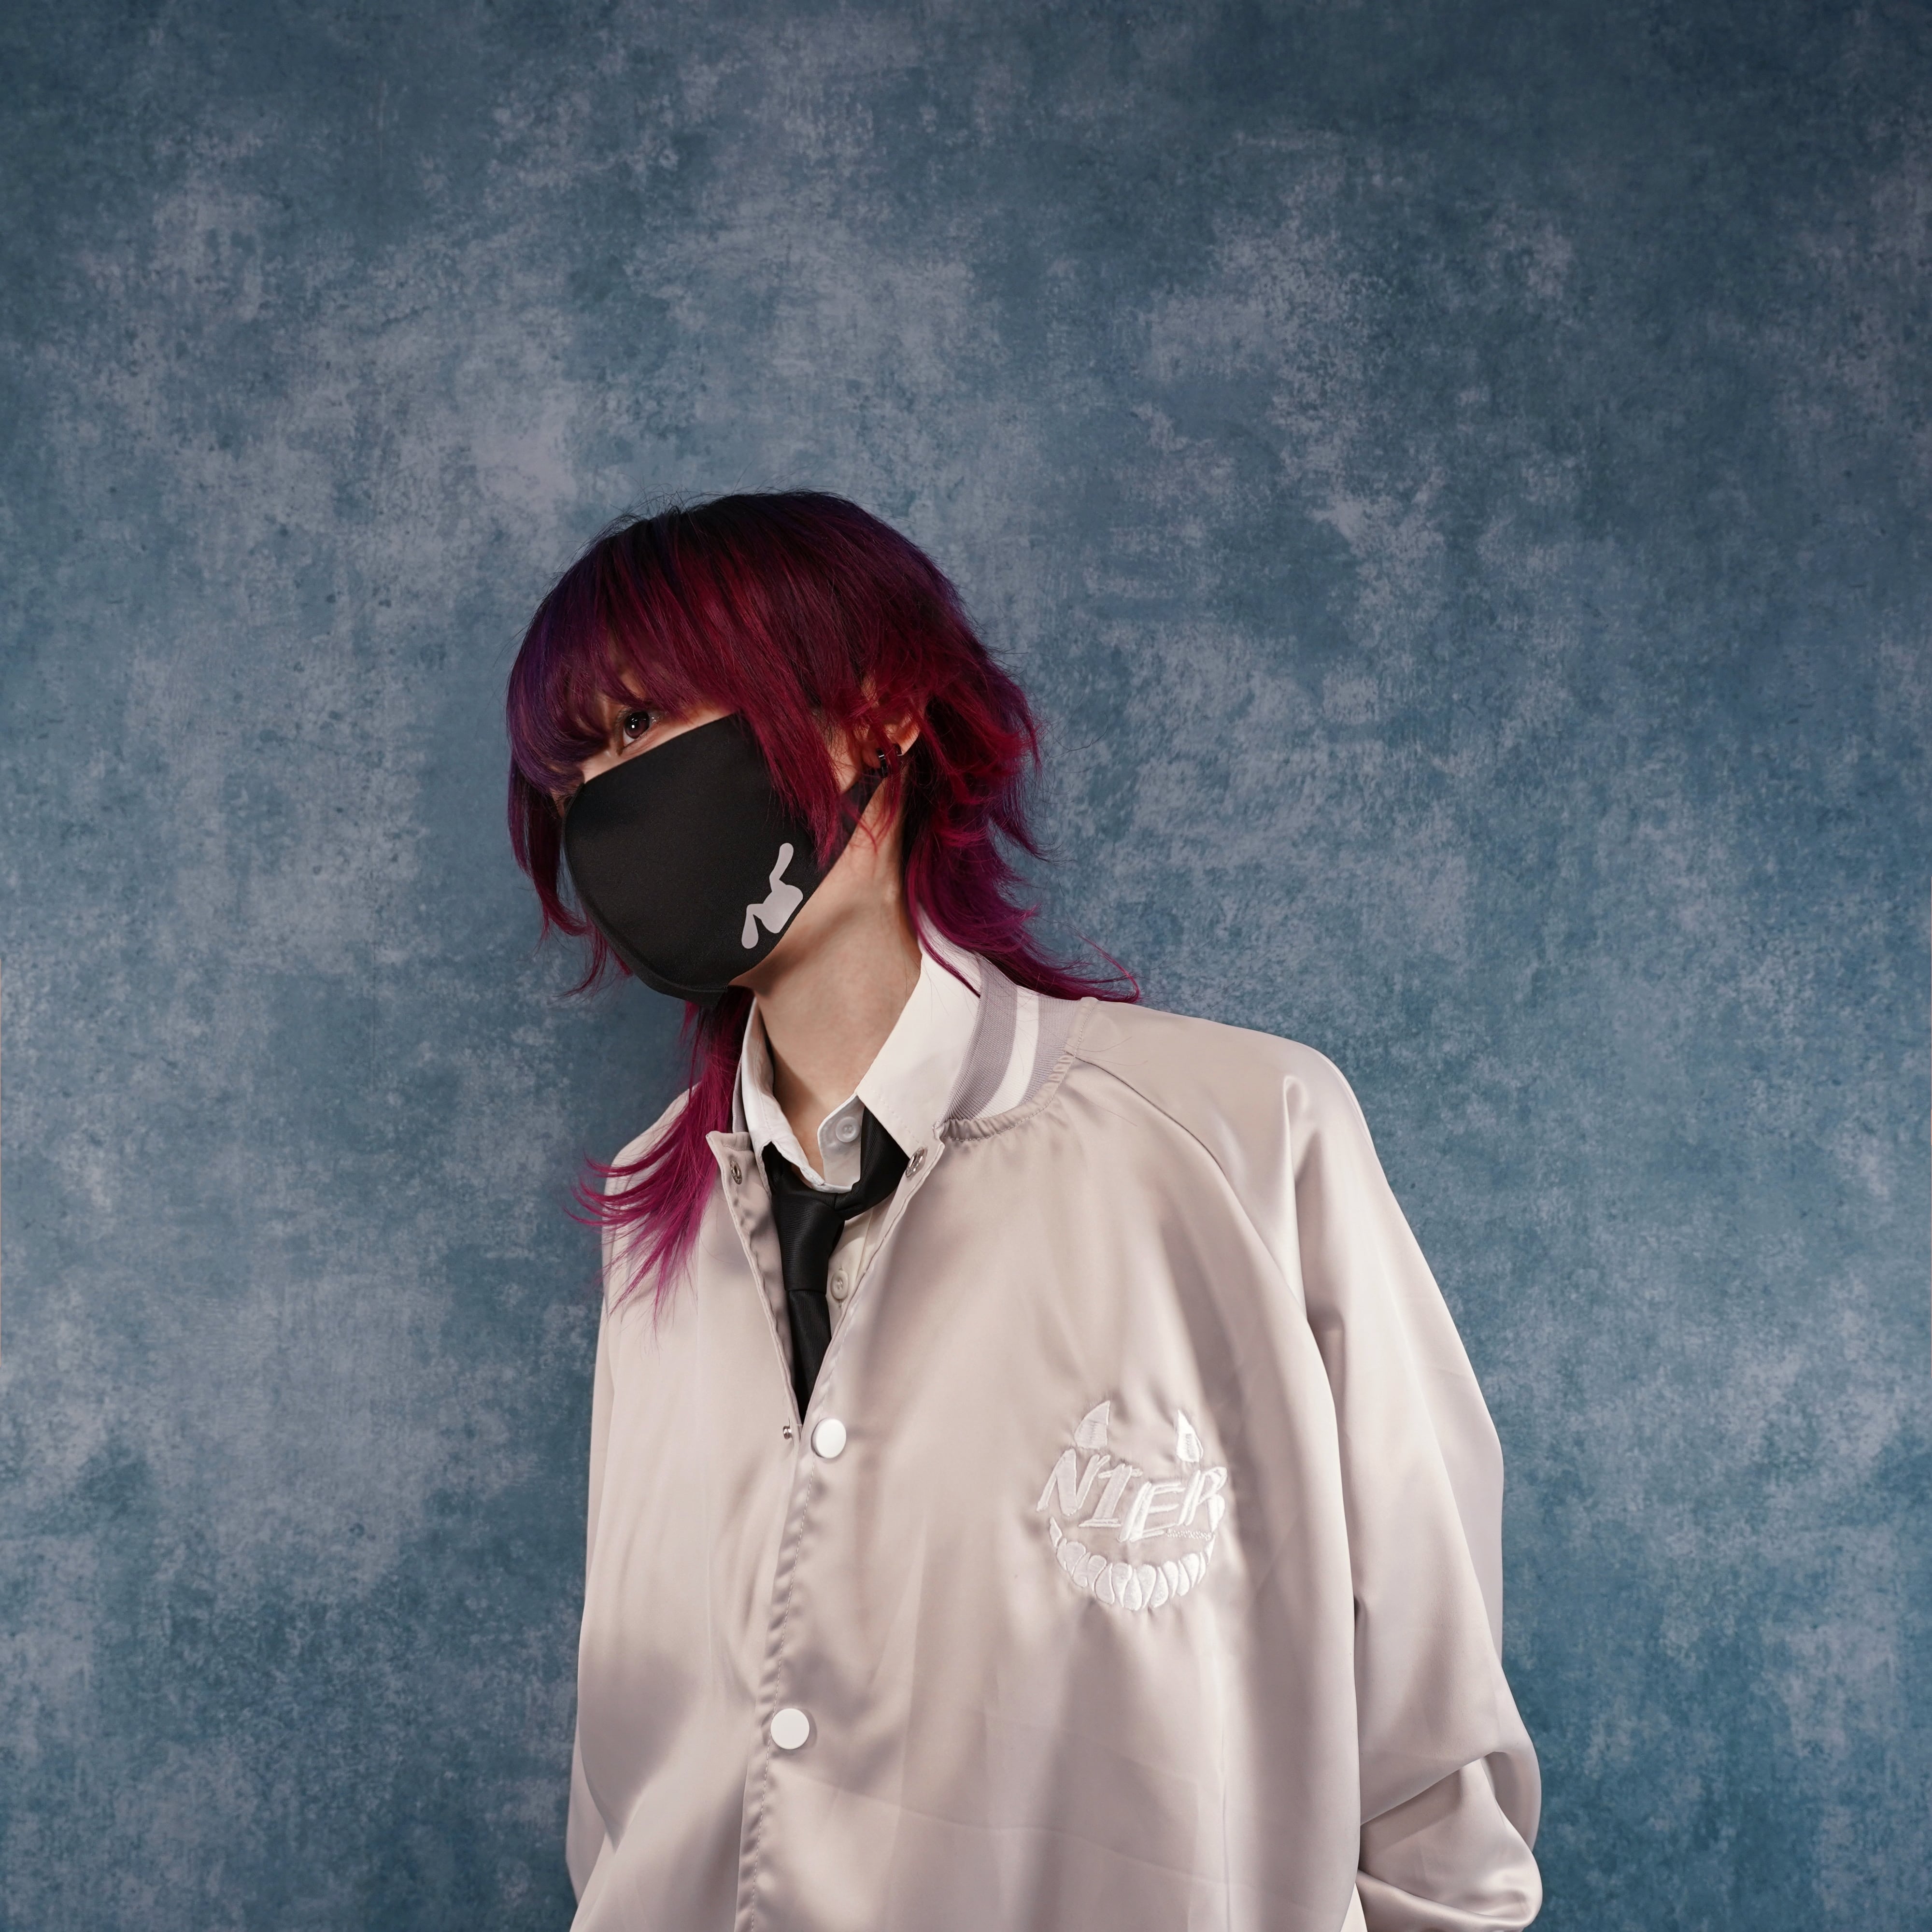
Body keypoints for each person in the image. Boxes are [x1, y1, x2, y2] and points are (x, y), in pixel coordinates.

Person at [504, 492, 1542, 1932]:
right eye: (575, 768)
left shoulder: (1247, 1139)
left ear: (879, 712)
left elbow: (1438, 1789)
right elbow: (629, 1778)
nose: (612, 801)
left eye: (644, 724)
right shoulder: (652, 1226)